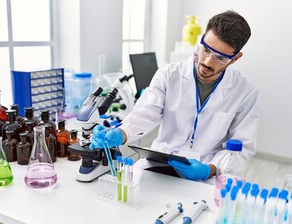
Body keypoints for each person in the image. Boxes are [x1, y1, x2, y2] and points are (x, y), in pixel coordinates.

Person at [90, 10, 258, 181]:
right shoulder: (168, 74)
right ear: (201, 39)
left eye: (220, 58)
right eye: (206, 50)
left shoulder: (245, 91)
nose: (208, 62)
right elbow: (145, 114)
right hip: (160, 160)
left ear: (235, 58)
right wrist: (121, 133)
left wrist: (210, 170)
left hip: (206, 169)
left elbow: (241, 146)